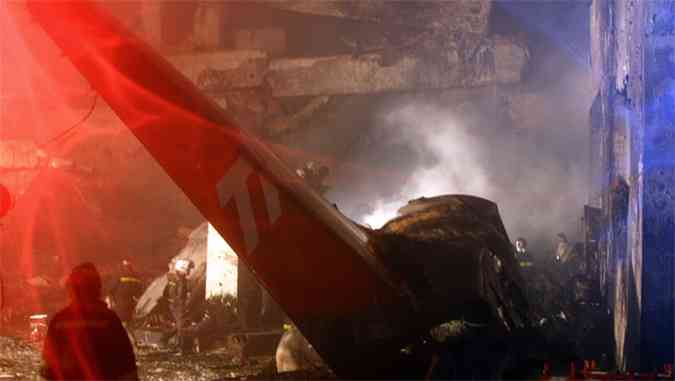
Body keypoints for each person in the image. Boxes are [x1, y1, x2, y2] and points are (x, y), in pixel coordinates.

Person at [41, 263, 138, 380]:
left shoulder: (59, 320)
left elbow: (48, 367)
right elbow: (127, 367)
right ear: (97, 288)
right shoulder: (109, 320)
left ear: (71, 289)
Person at [107, 260, 143, 345]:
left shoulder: (119, 275)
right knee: (128, 323)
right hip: (130, 304)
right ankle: (134, 341)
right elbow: (139, 292)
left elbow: (110, 289)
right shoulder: (136, 277)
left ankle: (121, 341)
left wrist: (109, 300)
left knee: (121, 323)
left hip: (120, 303)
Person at [165, 258, 195, 354]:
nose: (190, 271)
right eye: (188, 268)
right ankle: (182, 348)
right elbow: (181, 293)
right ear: (183, 268)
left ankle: (167, 340)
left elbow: (168, 293)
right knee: (181, 325)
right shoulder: (181, 279)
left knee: (180, 325)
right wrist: (183, 303)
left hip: (174, 304)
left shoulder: (173, 278)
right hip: (179, 304)